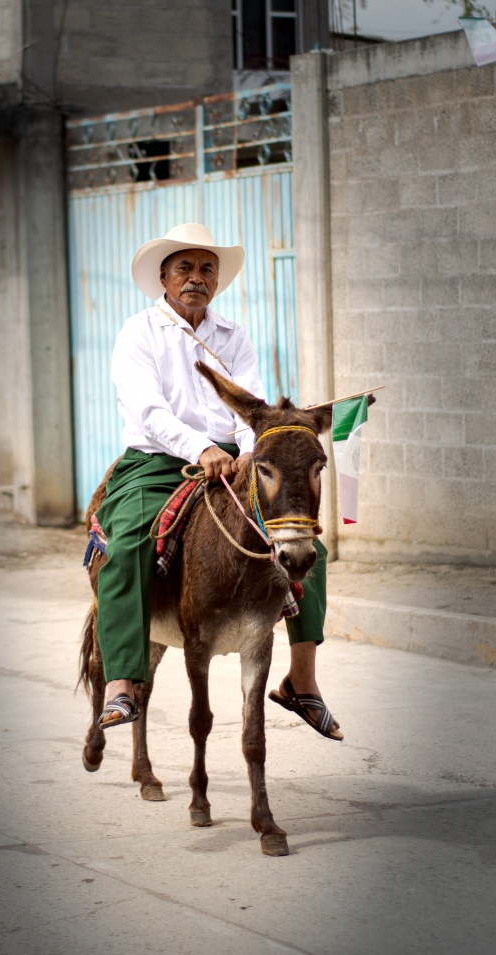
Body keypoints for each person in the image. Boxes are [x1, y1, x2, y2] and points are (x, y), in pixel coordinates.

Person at [94, 223, 342, 741]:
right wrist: (198, 448)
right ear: (163, 277)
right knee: (127, 544)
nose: (196, 278)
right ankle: (121, 679)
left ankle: (302, 679)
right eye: (184, 268)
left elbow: (248, 408)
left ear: (217, 280)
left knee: (296, 535)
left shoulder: (233, 335)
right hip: (157, 461)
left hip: (234, 458)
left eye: (207, 269)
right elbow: (147, 408)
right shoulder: (138, 332)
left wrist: (249, 454)